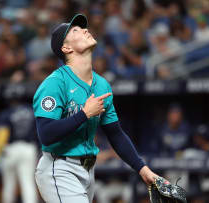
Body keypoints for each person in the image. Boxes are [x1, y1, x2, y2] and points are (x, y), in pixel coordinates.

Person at [33, 13, 158, 203]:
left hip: (88, 170)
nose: (85, 30)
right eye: (76, 30)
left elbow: (115, 134)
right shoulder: (55, 83)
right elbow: (46, 134)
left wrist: (142, 169)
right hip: (59, 167)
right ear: (66, 48)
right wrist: (84, 114)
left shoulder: (101, 85)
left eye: (83, 27)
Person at [0, 100, 38, 203]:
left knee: (8, 184)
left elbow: (1, 135)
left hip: (11, 149)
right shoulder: (32, 111)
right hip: (28, 148)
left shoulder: (7, 112)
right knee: (28, 183)